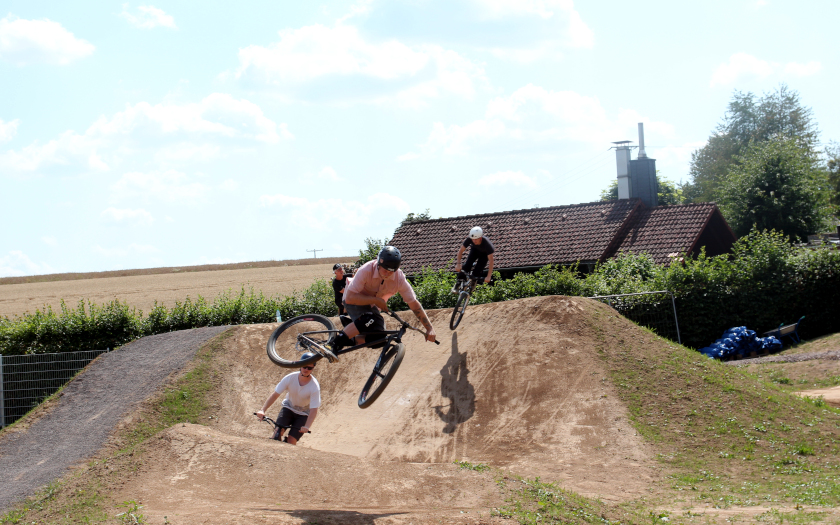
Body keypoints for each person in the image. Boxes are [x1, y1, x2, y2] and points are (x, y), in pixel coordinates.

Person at [330, 246, 437, 351]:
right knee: (369, 319)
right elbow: (350, 298)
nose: (387, 274)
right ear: (378, 264)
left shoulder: (399, 278)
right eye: (385, 270)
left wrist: (429, 328)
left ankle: (349, 337)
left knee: (380, 339)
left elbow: (413, 303)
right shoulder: (366, 270)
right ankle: (333, 344)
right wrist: (376, 300)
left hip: (371, 307)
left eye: (391, 272)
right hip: (354, 299)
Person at [255, 354, 320, 445]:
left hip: (303, 414)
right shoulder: (290, 378)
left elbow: (314, 409)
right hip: (288, 409)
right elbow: (275, 395)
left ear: (313, 368)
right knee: (277, 433)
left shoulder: (314, 386)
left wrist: (307, 426)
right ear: (300, 365)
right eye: (304, 366)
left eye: (309, 368)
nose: (306, 370)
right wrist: (262, 410)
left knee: (291, 441)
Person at [453, 226, 494, 292]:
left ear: (480, 238)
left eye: (476, 239)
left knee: (478, 270)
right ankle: (458, 283)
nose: (474, 241)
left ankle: (473, 282)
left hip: (484, 255)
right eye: (472, 239)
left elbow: (491, 260)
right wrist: (458, 264)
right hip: (474, 251)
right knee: (467, 265)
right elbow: (461, 251)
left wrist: (489, 276)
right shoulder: (470, 239)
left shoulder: (487, 244)